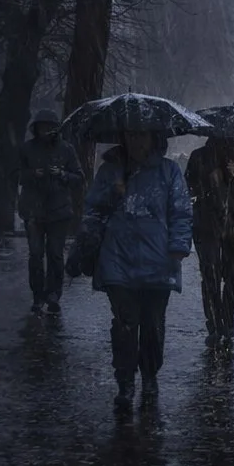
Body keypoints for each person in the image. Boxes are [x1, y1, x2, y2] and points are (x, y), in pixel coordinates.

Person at [79, 129, 192, 408]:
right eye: (131, 135)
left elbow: (180, 211)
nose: (137, 141)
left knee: (152, 324)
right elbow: (92, 210)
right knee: (125, 323)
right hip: (117, 259)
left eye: (143, 135)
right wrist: (112, 193)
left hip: (158, 261)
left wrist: (178, 245)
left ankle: (150, 375)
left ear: (154, 139)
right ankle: (125, 381)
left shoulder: (168, 171)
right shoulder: (110, 171)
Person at [186, 136, 234, 347]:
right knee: (210, 274)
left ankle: (227, 320)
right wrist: (208, 182)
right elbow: (187, 187)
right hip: (206, 225)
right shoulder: (199, 156)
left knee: (233, 275)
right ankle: (213, 325)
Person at [14, 109, 84, 314]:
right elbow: (15, 174)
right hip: (33, 211)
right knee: (36, 255)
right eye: (41, 127)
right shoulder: (27, 149)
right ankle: (38, 296)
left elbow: (79, 177)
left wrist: (62, 174)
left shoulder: (66, 149)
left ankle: (53, 295)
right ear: (36, 128)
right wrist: (31, 174)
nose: (45, 131)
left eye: (49, 127)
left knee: (55, 254)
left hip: (59, 211)